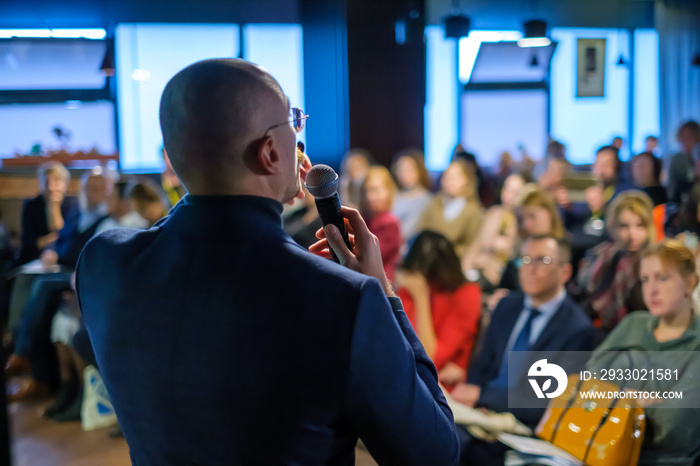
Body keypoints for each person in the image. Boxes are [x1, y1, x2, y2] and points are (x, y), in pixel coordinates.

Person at [77, 58, 460, 465]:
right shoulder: (344, 298)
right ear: (271, 152)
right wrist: (383, 293)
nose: (300, 136)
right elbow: (435, 454)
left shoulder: (103, 263)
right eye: (293, 122)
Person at [451, 235, 595, 464]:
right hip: (482, 413)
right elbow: (483, 364)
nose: (531, 269)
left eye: (542, 261)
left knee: (456, 444)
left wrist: (485, 397)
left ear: (565, 272)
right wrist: (474, 396)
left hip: (524, 425)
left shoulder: (577, 329)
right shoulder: (508, 306)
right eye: (526, 260)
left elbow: (549, 399)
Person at [588, 239, 700, 465]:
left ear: (689, 283)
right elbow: (588, 387)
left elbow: (671, 427)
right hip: (599, 453)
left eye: (662, 278)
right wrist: (638, 401)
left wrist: (615, 400)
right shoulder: (632, 324)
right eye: (645, 280)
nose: (652, 290)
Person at [395, 231, 481, 389]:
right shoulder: (412, 284)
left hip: (436, 387)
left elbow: (429, 359)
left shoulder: (466, 294)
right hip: (404, 373)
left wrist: (421, 298)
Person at [570, 191, 654, 341]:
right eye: (624, 226)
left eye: (640, 225)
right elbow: (586, 297)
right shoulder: (602, 256)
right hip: (605, 334)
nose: (632, 233)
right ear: (613, 227)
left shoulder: (655, 261)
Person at [496, 187, 565, 294]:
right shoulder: (518, 253)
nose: (526, 224)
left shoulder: (565, 250)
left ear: (549, 213)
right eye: (521, 219)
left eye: (532, 216)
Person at [462, 174, 525, 292]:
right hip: (476, 266)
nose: (508, 194)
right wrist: (466, 264)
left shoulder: (522, 222)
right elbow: (475, 244)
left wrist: (508, 247)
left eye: (515, 192)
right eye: (506, 188)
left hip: (495, 274)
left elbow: (518, 255)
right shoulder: (493, 212)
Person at [416, 159, 484, 258]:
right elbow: (420, 231)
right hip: (428, 259)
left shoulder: (473, 211)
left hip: (455, 263)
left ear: (466, 180)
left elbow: (470, 245)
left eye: (454, 177)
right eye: (446, 177)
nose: (449, 181)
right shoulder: (434, 203)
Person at [17, 162, 78, 266]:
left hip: (63, 258)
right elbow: (28, 242)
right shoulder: (31, 205)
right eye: (46, 183)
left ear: (65, 184)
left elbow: (69, 237)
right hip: (35, 258)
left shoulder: (73, 204)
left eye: (56, 182)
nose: (51, 188)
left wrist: (54, 207)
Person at [361, 166, 402, 282]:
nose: (370, 197)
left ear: (388, 191)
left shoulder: (390, 222)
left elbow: (371, 257)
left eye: (375, 190)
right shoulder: (364, 218)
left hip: (382, 284)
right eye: (366, 191)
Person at [391, 149, 433, 240]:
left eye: (409, 170)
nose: (404, 174)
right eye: (400, 170)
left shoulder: (426, 199)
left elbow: (408, 231)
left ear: (419, 171)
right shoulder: (393, 195)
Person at [668, 121, 700, 205]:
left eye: (690, 136)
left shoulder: (697, 155)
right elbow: (671, 189)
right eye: (683, 137)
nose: (686, 141)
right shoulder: (676, 160)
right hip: (682, 202)